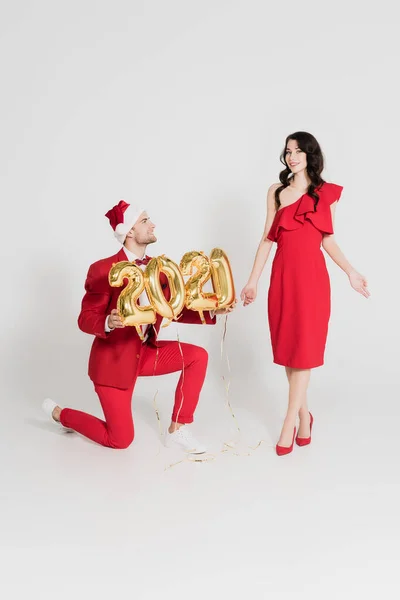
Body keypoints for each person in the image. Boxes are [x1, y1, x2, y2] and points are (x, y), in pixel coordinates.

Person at [42, 200, 234, 453]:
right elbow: (85, 318)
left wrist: (213, 311)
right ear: (129, 231)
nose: (152, 224)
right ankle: (61, 414)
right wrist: (107, 322)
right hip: (113, 363)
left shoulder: (160, 270)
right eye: (145, 220)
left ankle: (178, 429)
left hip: (144, 354)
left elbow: (172, 308)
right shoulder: (102, 269)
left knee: (198, 357)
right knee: (120, 440)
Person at [240, 132, 370, 456]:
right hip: (282, 277)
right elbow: (267, 239)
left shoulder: (327, 194)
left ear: (311, 155)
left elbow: (328, 241)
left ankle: (289, 422)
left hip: (312, 280)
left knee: (304, 349)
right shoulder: (276, 192)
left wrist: (351, 272)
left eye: (298, 151)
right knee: (289, 349)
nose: (292, 156)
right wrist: (252, 281)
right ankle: (304, 416)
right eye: (288, 151)